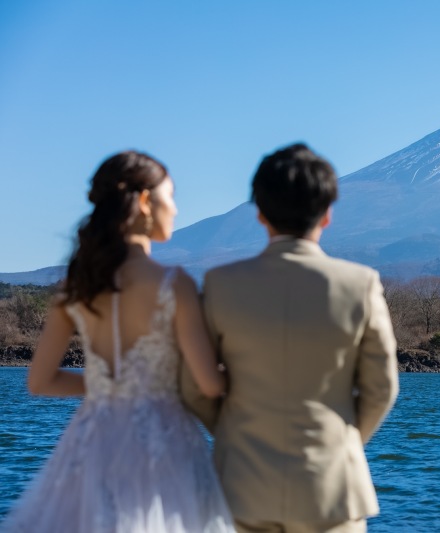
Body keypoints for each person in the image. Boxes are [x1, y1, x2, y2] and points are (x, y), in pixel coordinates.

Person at [2, 151, 236, 532]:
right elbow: (209, 383)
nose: (175, 209)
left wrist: (106, 385)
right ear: (145, 201)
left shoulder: (75, 287)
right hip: (163, 443)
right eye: (171, 196)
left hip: (91, 442)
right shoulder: (172, 284)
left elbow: (40, 381)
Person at [182, 143, 399, 533]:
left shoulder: (221, 285)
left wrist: (235, 437)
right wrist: (343, 444)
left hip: (242, 488)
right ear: (328, 214)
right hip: (332, 492)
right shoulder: (360, 285)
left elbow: (193, 386)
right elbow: (382, 389)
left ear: (260, 214)